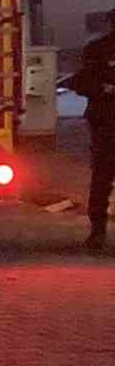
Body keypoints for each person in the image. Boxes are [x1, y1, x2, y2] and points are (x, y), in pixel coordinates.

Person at [69, 19, 115, 251]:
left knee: (102, 179)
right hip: (106, 125)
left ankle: (97, 233)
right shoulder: (98, 50)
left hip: (104, 123)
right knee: (102, 178)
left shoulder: (97, 49)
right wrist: (104, 89)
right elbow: (83, 82)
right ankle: (97, 232)